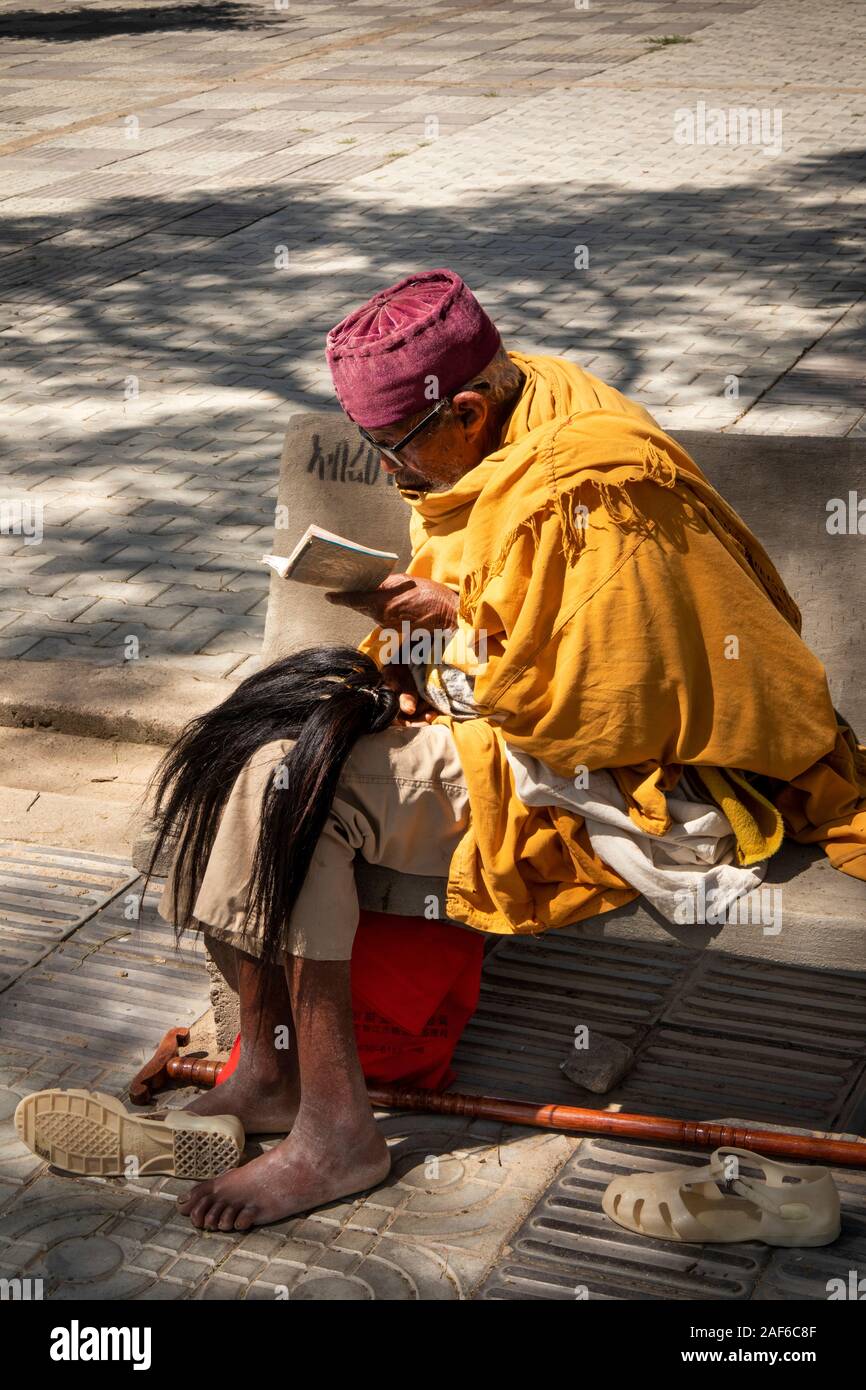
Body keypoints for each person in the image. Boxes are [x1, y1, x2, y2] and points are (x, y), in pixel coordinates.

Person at [153, 267, 865, 1231]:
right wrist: (419, 631)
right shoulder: (510, 422)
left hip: (625, 771)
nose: (395, 475)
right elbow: (502, 609)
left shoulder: (600, 489)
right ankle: (271, 1071)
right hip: (503, 716)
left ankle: (336, 1133)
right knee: (232, 760)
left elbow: (606, 704)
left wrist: (455, 621)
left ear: (473, 411)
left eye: (395, 451)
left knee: (291, 793)